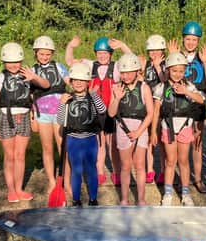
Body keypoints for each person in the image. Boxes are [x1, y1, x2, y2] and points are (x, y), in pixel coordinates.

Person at [65, 36, 132, 186]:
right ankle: (100, 171)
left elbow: (131, 60)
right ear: (95, 54)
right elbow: (70, 63)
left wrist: (122, 45)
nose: (102, 56)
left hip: (111, 111)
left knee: (112, 144)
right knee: (99, 143)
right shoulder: (89, 65)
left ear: (110, 54)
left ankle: (116, 172)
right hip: (94, 112)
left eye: (105, 53)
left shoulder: (116, 67)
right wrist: (70, 46)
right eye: (99, 53)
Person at [0, 42, 49, 203]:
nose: (14, 65)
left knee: (20, 155)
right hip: (5, 117)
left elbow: (46, 85)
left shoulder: (27, 76)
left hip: (23, 117)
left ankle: (19, 189)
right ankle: (11, 190)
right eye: (10, 62)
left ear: (21, 61)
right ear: (4, 62)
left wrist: (34, 77)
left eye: (17, 61)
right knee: (9, 156)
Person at [151, 52, 206, 206]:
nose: (177, 74)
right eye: (174, 71)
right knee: (170, 161)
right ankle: (168, 193)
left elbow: (201, 100)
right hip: (167, 127)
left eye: (181, 71)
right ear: (168, 70)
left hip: (185, 127)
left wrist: (186, 92)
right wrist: (153, 132)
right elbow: (156, 111)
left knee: (183, 161)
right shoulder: (161, 87)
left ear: (185, 71)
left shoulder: (189, 85)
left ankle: (185, 193)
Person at [168, 21, 206, 194]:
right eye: (188, 39)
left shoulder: (202, 57)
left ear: (198, 40)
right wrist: (172, 56)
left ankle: (198, 179)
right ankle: (182, 179)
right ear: (183, 39)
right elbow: (167, 77)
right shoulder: (176, 54)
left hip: (198, 102)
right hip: (180, 103)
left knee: (197, 143)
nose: (191, 43)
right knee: (181, 143)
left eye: (194, 39)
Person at [56, 62, 106, 207]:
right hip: (73, 140)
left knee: (91, 169)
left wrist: (94, 94)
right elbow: (60, 120)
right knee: (76, 170)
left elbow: (102, 110)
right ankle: (76, 199)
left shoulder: (92, 97)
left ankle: (93, 199)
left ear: (87, 82)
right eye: (75, 80)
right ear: (71, 82)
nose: (78, 83)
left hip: (90, 140)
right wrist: (62, 104)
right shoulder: (67, 99)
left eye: (81, 80)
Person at [108, 53, 154, 205]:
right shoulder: (117, 87)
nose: (125, 76)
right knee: (126, 166)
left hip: (141, 128)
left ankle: (141, 199)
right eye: (123, 72)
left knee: (140, 165)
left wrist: (139, 132)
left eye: (129, 72)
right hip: (123, 128)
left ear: (137, 71)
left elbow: (151, 113)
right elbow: (111, 113)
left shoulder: (144, 88)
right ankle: (124, 199)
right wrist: (117, 98)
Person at [31, 35, 70, 195]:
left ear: (52, 54)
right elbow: (30, 95)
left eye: (48, 54)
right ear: (36, 53)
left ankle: (66, 181)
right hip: (42, 114)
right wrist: (31, 117)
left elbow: (70, 82)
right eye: (41, 54)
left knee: (63, 147)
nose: (45, 57)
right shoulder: (32, 71)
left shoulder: (59, 67)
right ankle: (52, 182)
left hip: (59, 111)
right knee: (47, 148)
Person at [141, 34, 167, 185]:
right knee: (149, 140)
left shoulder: (165, 64)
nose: (154, 53)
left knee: (161, 140)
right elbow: (141, 81)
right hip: (147, 106)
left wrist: (158, 66)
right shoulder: (147, 63)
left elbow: (165, 80)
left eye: (157, 50)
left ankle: (163, 170)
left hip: (161, 107)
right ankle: (150, 169)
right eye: (151, 50)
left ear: (162, 50)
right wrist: (143, 69)